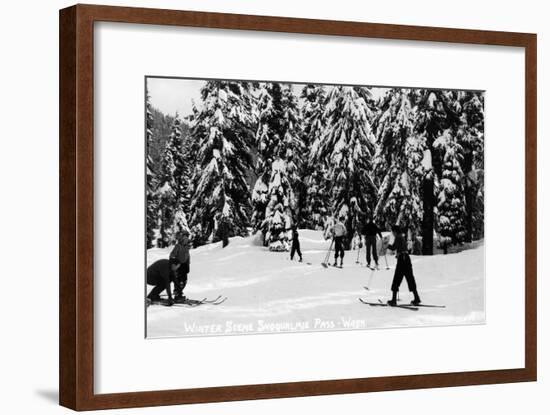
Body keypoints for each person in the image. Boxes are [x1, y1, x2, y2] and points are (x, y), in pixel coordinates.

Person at [387, 225, 421, 306]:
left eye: (393, 232)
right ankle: (417, 298)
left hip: (402, 260)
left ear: (395, 231)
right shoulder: (401, 237)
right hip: (407, 259)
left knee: (397, 278)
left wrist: (386, 245)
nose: (393, 233)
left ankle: (394, 300)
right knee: (410, 278)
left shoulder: (398, 237)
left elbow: (393, 247)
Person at [170, 229, 191, 301]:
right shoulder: (178, 246)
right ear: (182, 237)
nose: (186, 238)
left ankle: (179, 293)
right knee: (179, 281)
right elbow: (172, 255)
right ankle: (177, 295)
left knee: (184, 281)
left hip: (184, 266)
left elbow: (187, 256)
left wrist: (188, 264)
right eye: (185, 236)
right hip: (178, 266)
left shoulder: (186, 247)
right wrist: (176, 263)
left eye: (187, 236)